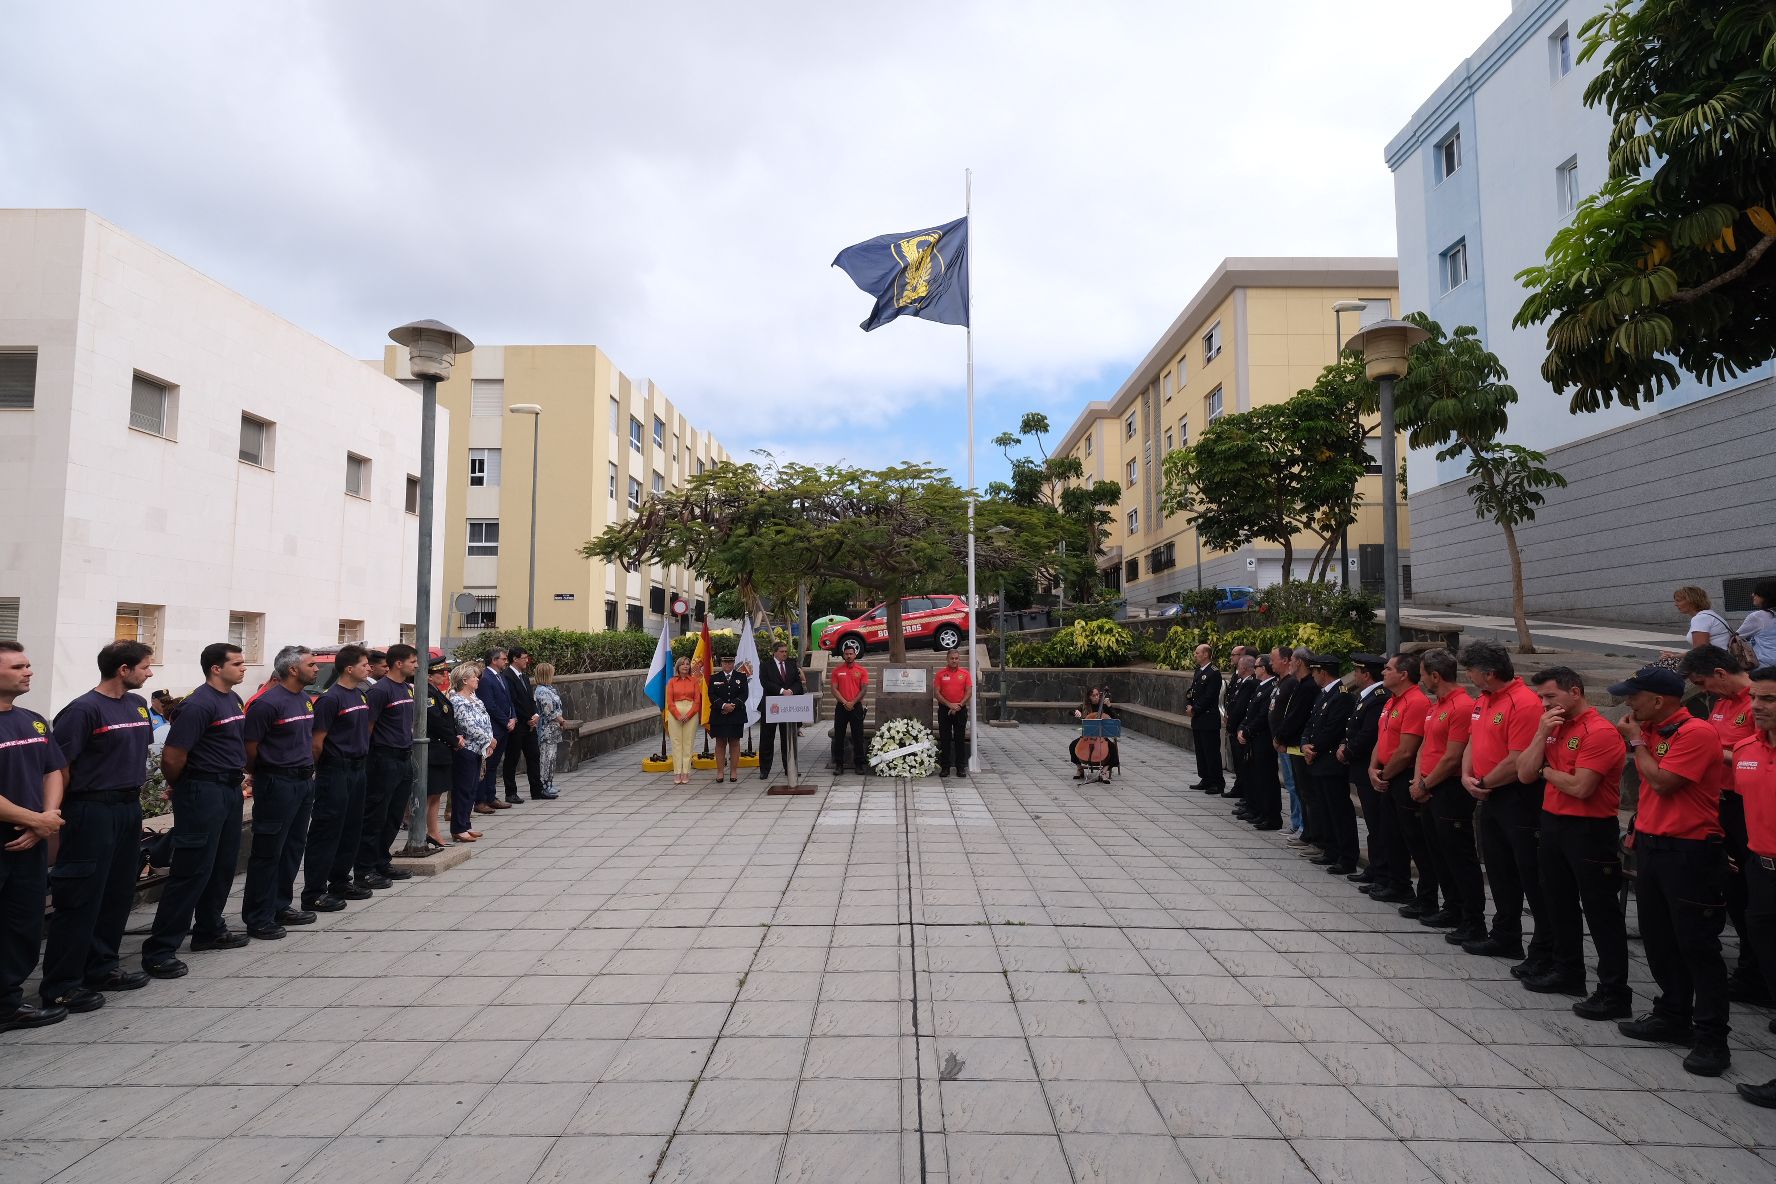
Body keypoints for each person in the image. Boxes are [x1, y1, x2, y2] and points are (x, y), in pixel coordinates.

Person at [1610, 664, 1733, 1076]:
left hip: (1690, 850)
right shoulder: (1652, 730)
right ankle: (1672, 1013)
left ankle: (1712, 1037)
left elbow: (1663, 782)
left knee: (1697, 945)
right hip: (1653, 845)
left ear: (1658, 700)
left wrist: (1636, 743)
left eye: (1634, 696)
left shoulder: (1695, 733)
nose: (1628, 703)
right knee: (1658, 937)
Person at [41, 640, 156, 1013]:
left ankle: (102, 967)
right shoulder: (82, 710)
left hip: (128, 807)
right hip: (92, 809)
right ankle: (62, 984)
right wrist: (60, 811)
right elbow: (60, 766)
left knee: (118, 892)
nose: (149, 673)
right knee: (81, 897)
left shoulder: (137, 704)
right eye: (145, 667)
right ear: (124, 669)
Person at [1514, 666, 1631, 1019]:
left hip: (1589, 829)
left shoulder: (1599, 731)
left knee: (1600, 911)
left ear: (1575, 692)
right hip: (1553, 822)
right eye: (1541, 698)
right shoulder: (1552, 727)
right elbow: (1524, 773)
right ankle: (1567, 970)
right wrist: (1540, 735)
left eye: (1551, 696)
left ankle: (1614, 991)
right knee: (1557, 902)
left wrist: (1546, 772)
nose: (1544, 704)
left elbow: (1581, 787)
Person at [141, 642, 250, 978]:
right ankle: (160, 950)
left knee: (222, 864)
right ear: (216, 668)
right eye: (237, 663)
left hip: (229, 790)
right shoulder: (198, 704)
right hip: (203, 791)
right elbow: (173, 757)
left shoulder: (232, 698)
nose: (243, 668)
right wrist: (186, 786)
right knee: (192, 869)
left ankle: (209, 930)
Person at [1459, 640, 1553, 977]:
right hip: (1489, 795)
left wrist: (1483, 782)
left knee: (1530, 875)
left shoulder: (1523, 702)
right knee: (1498, 869)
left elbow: (1518, 760)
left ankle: (1545, 947)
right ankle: (1505, 934)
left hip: (1517, 798)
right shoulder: (1483, 699)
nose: (1468, 677)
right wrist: (1467, 776)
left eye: (1471, 670)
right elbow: (1473, 739)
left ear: (1489, 673)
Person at [1679, 645, 1766, 1003]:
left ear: (1719, 673)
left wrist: (1714, 753)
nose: (1703, 691)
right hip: (1720, 802)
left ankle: (1756, 971)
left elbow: (1759, 754)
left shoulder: (1757, 703)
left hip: (1749, 804)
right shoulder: (1721, 703)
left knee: (1753, 890)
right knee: (1732, 887)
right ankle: (1749, 967)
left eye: (1702, 683)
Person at [0, 642, 68, 1033]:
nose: (28, 672)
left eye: (28, 665)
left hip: (31, 840)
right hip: (14, 834)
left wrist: (47, 817)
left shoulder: (33, 721)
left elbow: (52, 770)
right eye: (18, 667)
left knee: (22, 924)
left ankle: (7, 1003)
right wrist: (35, 821)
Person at [240, 645, 319, 941]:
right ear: (293, 669)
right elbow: (250, 748)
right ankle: (258, 916)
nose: (316, 669)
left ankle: (280, 905)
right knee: (268, 851)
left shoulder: (304, 699)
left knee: (293, 847)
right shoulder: (266, 703)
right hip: (277, 782)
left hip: (303, 782)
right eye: (311, 664)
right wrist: (264, 772)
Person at [1412, 649, 1483, 942]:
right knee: (1439, 854)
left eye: (1422, 675)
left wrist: (1425, 784)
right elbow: (1425, 746)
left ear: (1435, 676)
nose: (1421, 680)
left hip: (1449, 790)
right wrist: (1418, 780)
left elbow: (1453, 757)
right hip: (1430, 787)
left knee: (1459, 857)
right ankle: (1452, 907)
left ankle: (1472, 918)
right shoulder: (1436, 706)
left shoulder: (1462, 706)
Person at [1733, 664, 1776, 1108]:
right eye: (1755, 698)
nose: (1757, 706)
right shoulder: (1746, 748)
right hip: (1760, 872)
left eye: (1769, 699)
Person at [304, 645, 373, 914]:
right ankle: (314, 891)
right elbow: (317, 742)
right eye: (364, 664)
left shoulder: (360, 694)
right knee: (327, 830)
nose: (368, 668)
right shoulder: (330, 699)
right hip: (336, 769)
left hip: (358, 768)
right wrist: (326, 768)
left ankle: (340, 881)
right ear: (349, 668)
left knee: (351, 828)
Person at [1370, 653, 1432, 917]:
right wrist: (1373, 768)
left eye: (1388, 668)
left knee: (1412, 838)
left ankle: (1422, 895)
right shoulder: (1391, 700)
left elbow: (1407, 751)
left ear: (1404, 674)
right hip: (1386, 773)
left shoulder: (1416, 701)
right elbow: (1382, 737)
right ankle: (1396, 883)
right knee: (1390, 834)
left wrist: (1384, 775)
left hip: (1401, 775)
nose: (1383, 672)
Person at [357, 643, 419, 886]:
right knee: (376, 815)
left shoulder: (406, 688)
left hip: (403, 757)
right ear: (398, 663)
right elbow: (368, 727)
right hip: (383, 758)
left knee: (394, 815)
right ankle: (365, 868)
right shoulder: (380, 690)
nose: (416, 666)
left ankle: (382, 861)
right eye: (413, 662)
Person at [1340, 653, 1392, 890]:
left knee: (1378, 824)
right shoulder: (1367, 696)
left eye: (1357, 671)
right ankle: (1375, 868)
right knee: (1372, 823)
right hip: (1361, 767)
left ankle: (1382, 872)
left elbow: (1369, 733)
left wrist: (1348, 751)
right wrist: (1345, 745)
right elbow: (1353, 727)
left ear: (1366, 674)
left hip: (1368, 766)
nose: (1355, 675)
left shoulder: (1379, 698)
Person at [1300, 654, 1356, 874]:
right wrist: (1305, 744)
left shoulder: (1341, 696)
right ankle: (1331, 849)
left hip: (1330, 761)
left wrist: (1313, 748)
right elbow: (1311, 723)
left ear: (1322, 672)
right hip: (1318, 760)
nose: (1312, 675)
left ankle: (1346, 856)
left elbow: (1333, 729)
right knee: (1325, 809)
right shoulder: (1324, 694)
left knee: (1338, 810)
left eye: (1314, 672)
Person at [447, 663, 493, 843]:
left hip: (479, 748)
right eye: (474, 677)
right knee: (463, 788)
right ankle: (458, 828)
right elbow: (468, 725)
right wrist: (488, 739)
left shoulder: (475, 699)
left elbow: (485, 720)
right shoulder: (457, 700)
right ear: (464, 680)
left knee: (472, 787)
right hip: (466, 749)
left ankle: (466, 824)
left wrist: (489, 739)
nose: (477, 679)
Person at [1234, 657, 1281, 829]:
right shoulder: (1261, 686)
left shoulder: (1271, 688)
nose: (1254, 669)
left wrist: (1247, 731)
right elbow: (1249, 713)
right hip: (1253, 738)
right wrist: (1242, 728)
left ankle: (1269, 815)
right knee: (1255, 777)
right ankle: (1258, 810)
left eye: (1257, 666)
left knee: (1265, 779)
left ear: (1264, 668)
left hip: (1262, 739)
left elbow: (1263, 716)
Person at [503, 646, 547, 802]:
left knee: (534, 755)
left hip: (530, 724)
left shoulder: (524, 677)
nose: (526, 661)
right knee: (512, 758)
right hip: (518, 724)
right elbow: (513, 701)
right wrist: (527, 717)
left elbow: (529, 699)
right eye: (524, 658)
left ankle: (537, 790)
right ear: (515, 659)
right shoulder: (507, 676)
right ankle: (510, 792)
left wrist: (535, 715)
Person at [424, 657, 458, 848]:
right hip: (434, 749)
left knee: (436, 794)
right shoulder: (428, 694)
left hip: (442, 749)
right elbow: (436, 721)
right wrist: (454, 740)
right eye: (440, 673)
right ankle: (428, 832)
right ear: (429, 676)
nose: (445, 675)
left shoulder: (436, 692)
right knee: (431, 794)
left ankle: (433, 832)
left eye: (445, 672)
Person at [476, 648, 515, 810]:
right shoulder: (486, 678)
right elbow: (490, 705)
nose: (506, 661)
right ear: (494, 660)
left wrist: (513, 717)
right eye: (503, 659)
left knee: (494, 765)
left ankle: (491, 796)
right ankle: (481, 800)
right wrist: (506, 721)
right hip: (494, 728)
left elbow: (508, 699)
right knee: (487, 765)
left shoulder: (501, 676)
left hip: (504, 727)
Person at [1184, 644, 1224, 793]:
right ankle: (1205, 778)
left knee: (1211, 751)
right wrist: (1189, 704)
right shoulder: (1199, 671)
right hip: (1198, 719)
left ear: (1206, 654)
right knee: (1201, 751)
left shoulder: (1214, 673)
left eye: (1198, 653)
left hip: (1208, 718)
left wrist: (1195, 709)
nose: (1195, 655)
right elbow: (1193, 692)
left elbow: (1209, 696)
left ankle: (1216, 782)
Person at [1661, 585, 1734, 658]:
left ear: (1691, 601)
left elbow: (1700, 652)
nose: (1675, 604)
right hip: (1721, 659)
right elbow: (1700, 650)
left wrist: (1678, 662)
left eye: (1678, 600)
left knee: (1660, 665)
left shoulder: (1700, 618)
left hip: (1716, 662)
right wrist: (1675, 656)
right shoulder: (1709, 614)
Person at [1224, 655, 1260, 802]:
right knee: (1238, 764)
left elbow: (1242, 708)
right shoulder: (1240, 681)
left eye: (1239, 665)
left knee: (1243, 764)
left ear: (1244, 668)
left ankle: (1245, 793)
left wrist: (1233, 725)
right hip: (1235, 727)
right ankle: (1240, 788)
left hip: (1241, 728)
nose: (1237, 668)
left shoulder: (1250, 683)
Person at [707, 653, 747, 783]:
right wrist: (723, 706)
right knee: (720, 743)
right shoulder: (714, 678)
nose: (728, 665)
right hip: (719, 714)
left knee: (735, 742)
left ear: (733, 663)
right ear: (721, 664)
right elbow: (711, 694)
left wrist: (732, 706)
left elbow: (744, 694)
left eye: (730, 663)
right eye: (725, 663)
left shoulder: (741, 677)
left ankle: (733, 771)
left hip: (736, 714)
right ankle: (720, 772)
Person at [829, 648, 870, 775]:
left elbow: (864, 689)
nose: (849, 656)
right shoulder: (837, 671)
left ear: (855, 655)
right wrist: (845, 702)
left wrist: (852, 702)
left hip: (856, 707)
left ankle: (859, 764)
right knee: (839, 736)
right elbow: (834, 689)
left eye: (851, 654)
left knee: (858, 736)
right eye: (846, 654)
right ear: (843, 655)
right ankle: (839, 765)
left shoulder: (862, 671)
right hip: (841, 707)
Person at [665, 656, 703, 785]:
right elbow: (669, 701)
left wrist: (689, 714)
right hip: (675, 712)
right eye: (683, 664)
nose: (685, 666)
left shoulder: (694, 681)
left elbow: (697, 701)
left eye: (687, 664)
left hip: (691, 712)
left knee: (688, 742)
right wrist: (677, 715)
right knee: (676, 743)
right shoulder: (671, 682)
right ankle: (677, 772)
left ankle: (686, 772)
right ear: (678, 666)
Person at [935, 649, 972, 778]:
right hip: (944, 710)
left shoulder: (965, 674)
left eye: (956, 658)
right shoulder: (940, 674)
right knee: (944, 738)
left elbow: (969, 692)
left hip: (960, 709)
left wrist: (959, 705)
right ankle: (945, 767)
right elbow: (937, 693)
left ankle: (960, 767)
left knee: (959, 738)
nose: (954, 660)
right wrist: (949, 705)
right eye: (952, 658)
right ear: (947, 659)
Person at [1070, 687, 1119, 783]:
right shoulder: (1085, 706)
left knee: (1113, 749)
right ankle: (1080, 769)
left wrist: (1109, 706)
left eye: (1097, 695)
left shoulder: (1104, 706)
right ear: (1089, 697)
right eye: (1093, 695)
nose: (1096, 697)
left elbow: (1115, 718)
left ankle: (1104, 772)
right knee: (1072, 746)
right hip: (1087, 737)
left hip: (1101, 737)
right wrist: (1075, 712)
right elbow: (1071, 712)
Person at [533, 662, 565, 796]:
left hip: (553, 729)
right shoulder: (542, 691)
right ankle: (545, 784)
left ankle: (550, 782)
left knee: (552, 757)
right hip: (546, 730)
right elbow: (549, 711)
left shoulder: (549, 689)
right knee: (546, 757)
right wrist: (561, 720)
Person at [1737, 580, 1776, 666]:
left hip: (1765, 666)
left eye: (1756, 593)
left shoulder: (1758, 616)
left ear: (1765, 596)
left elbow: (1737, 637)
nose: (1752, 595)